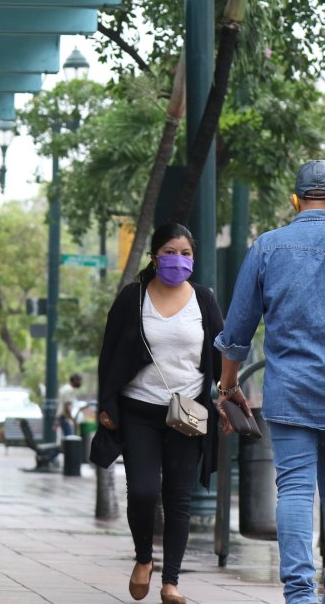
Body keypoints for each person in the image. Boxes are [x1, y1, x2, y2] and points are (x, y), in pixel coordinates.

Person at [213, 160, 325, 604]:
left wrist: (228, 387)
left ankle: (300, 595)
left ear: (294, 201)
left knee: (294, 490)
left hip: (290, 393)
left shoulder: (268, 247)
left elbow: (237, 332)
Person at [92, 222, 223, 604]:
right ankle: (144, 558)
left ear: (193, 258)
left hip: (188, 412)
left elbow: (221, 354)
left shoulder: (204, 299)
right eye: (169, 252)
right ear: (154, 256)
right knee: (144, 491)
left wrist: (226, 399)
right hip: (139, 411)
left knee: (178, 498)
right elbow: (109, 354)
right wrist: (106, 404)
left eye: (185, 253)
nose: (178, 260)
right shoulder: (132, 298)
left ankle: (171, 582)